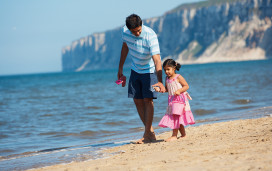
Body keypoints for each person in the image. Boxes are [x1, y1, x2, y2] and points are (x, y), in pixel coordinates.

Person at [117, 14, 165, 143]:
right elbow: (125, 47)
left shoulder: (151, 35)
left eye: (139, 30)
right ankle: (150, 132)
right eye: (134, 31)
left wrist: (160, 81)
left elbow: (157, 60)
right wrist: (120, 68)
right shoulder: (125, 32)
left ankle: (147, 134)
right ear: (129, 29)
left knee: (148, 100)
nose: (137, 33)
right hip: (135, 70)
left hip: (149, 71)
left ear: (141, 25)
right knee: (137, 100)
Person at [155, 59, 195, 142]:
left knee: (176, 117)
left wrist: (179, 91)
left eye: (168, 69)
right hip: (172, 101)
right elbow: (167, 89)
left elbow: (186, 86)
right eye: (165, 70)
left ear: (174, 68)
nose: (166, 71)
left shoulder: (178, 77)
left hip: (180, 100)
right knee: (177, 117)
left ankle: (174, 135)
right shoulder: (167, 78)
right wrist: (159, 90)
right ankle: (183, 135)